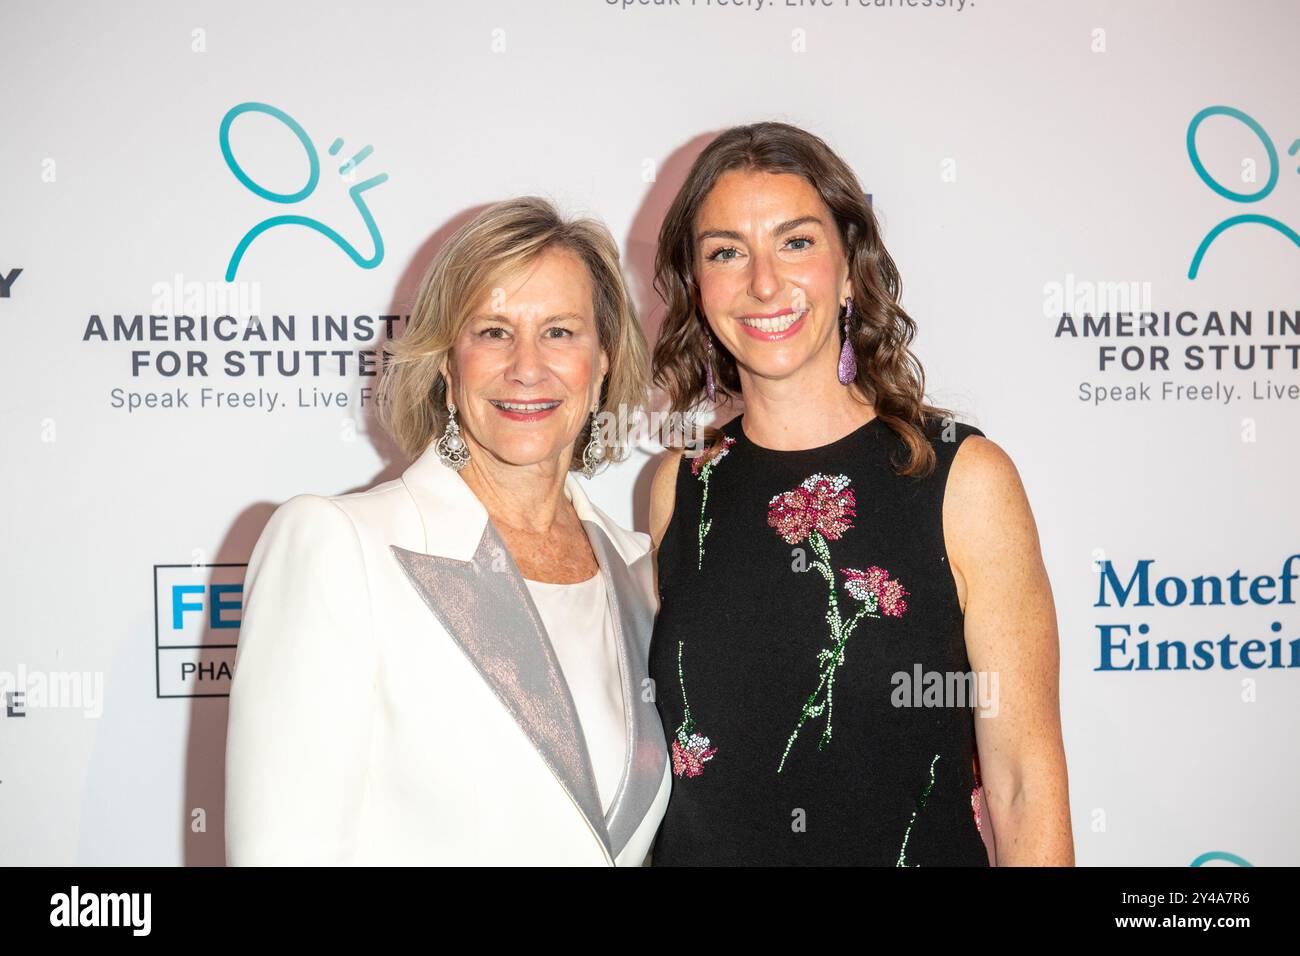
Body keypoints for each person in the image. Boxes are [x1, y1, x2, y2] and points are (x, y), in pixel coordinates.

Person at [645, 122, 1073, 865]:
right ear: (696, 284)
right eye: (726, 253)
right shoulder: (682, 487)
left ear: (849, 271)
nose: (764, 283)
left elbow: (1023, 785)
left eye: (797, 242)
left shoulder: (961, 480)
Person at [225, 196, 670, 865]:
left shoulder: (642, 572)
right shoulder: (340, 547)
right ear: (445, 362)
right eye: (493, 331)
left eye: (559, 332)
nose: (526, 366)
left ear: (603, 359)